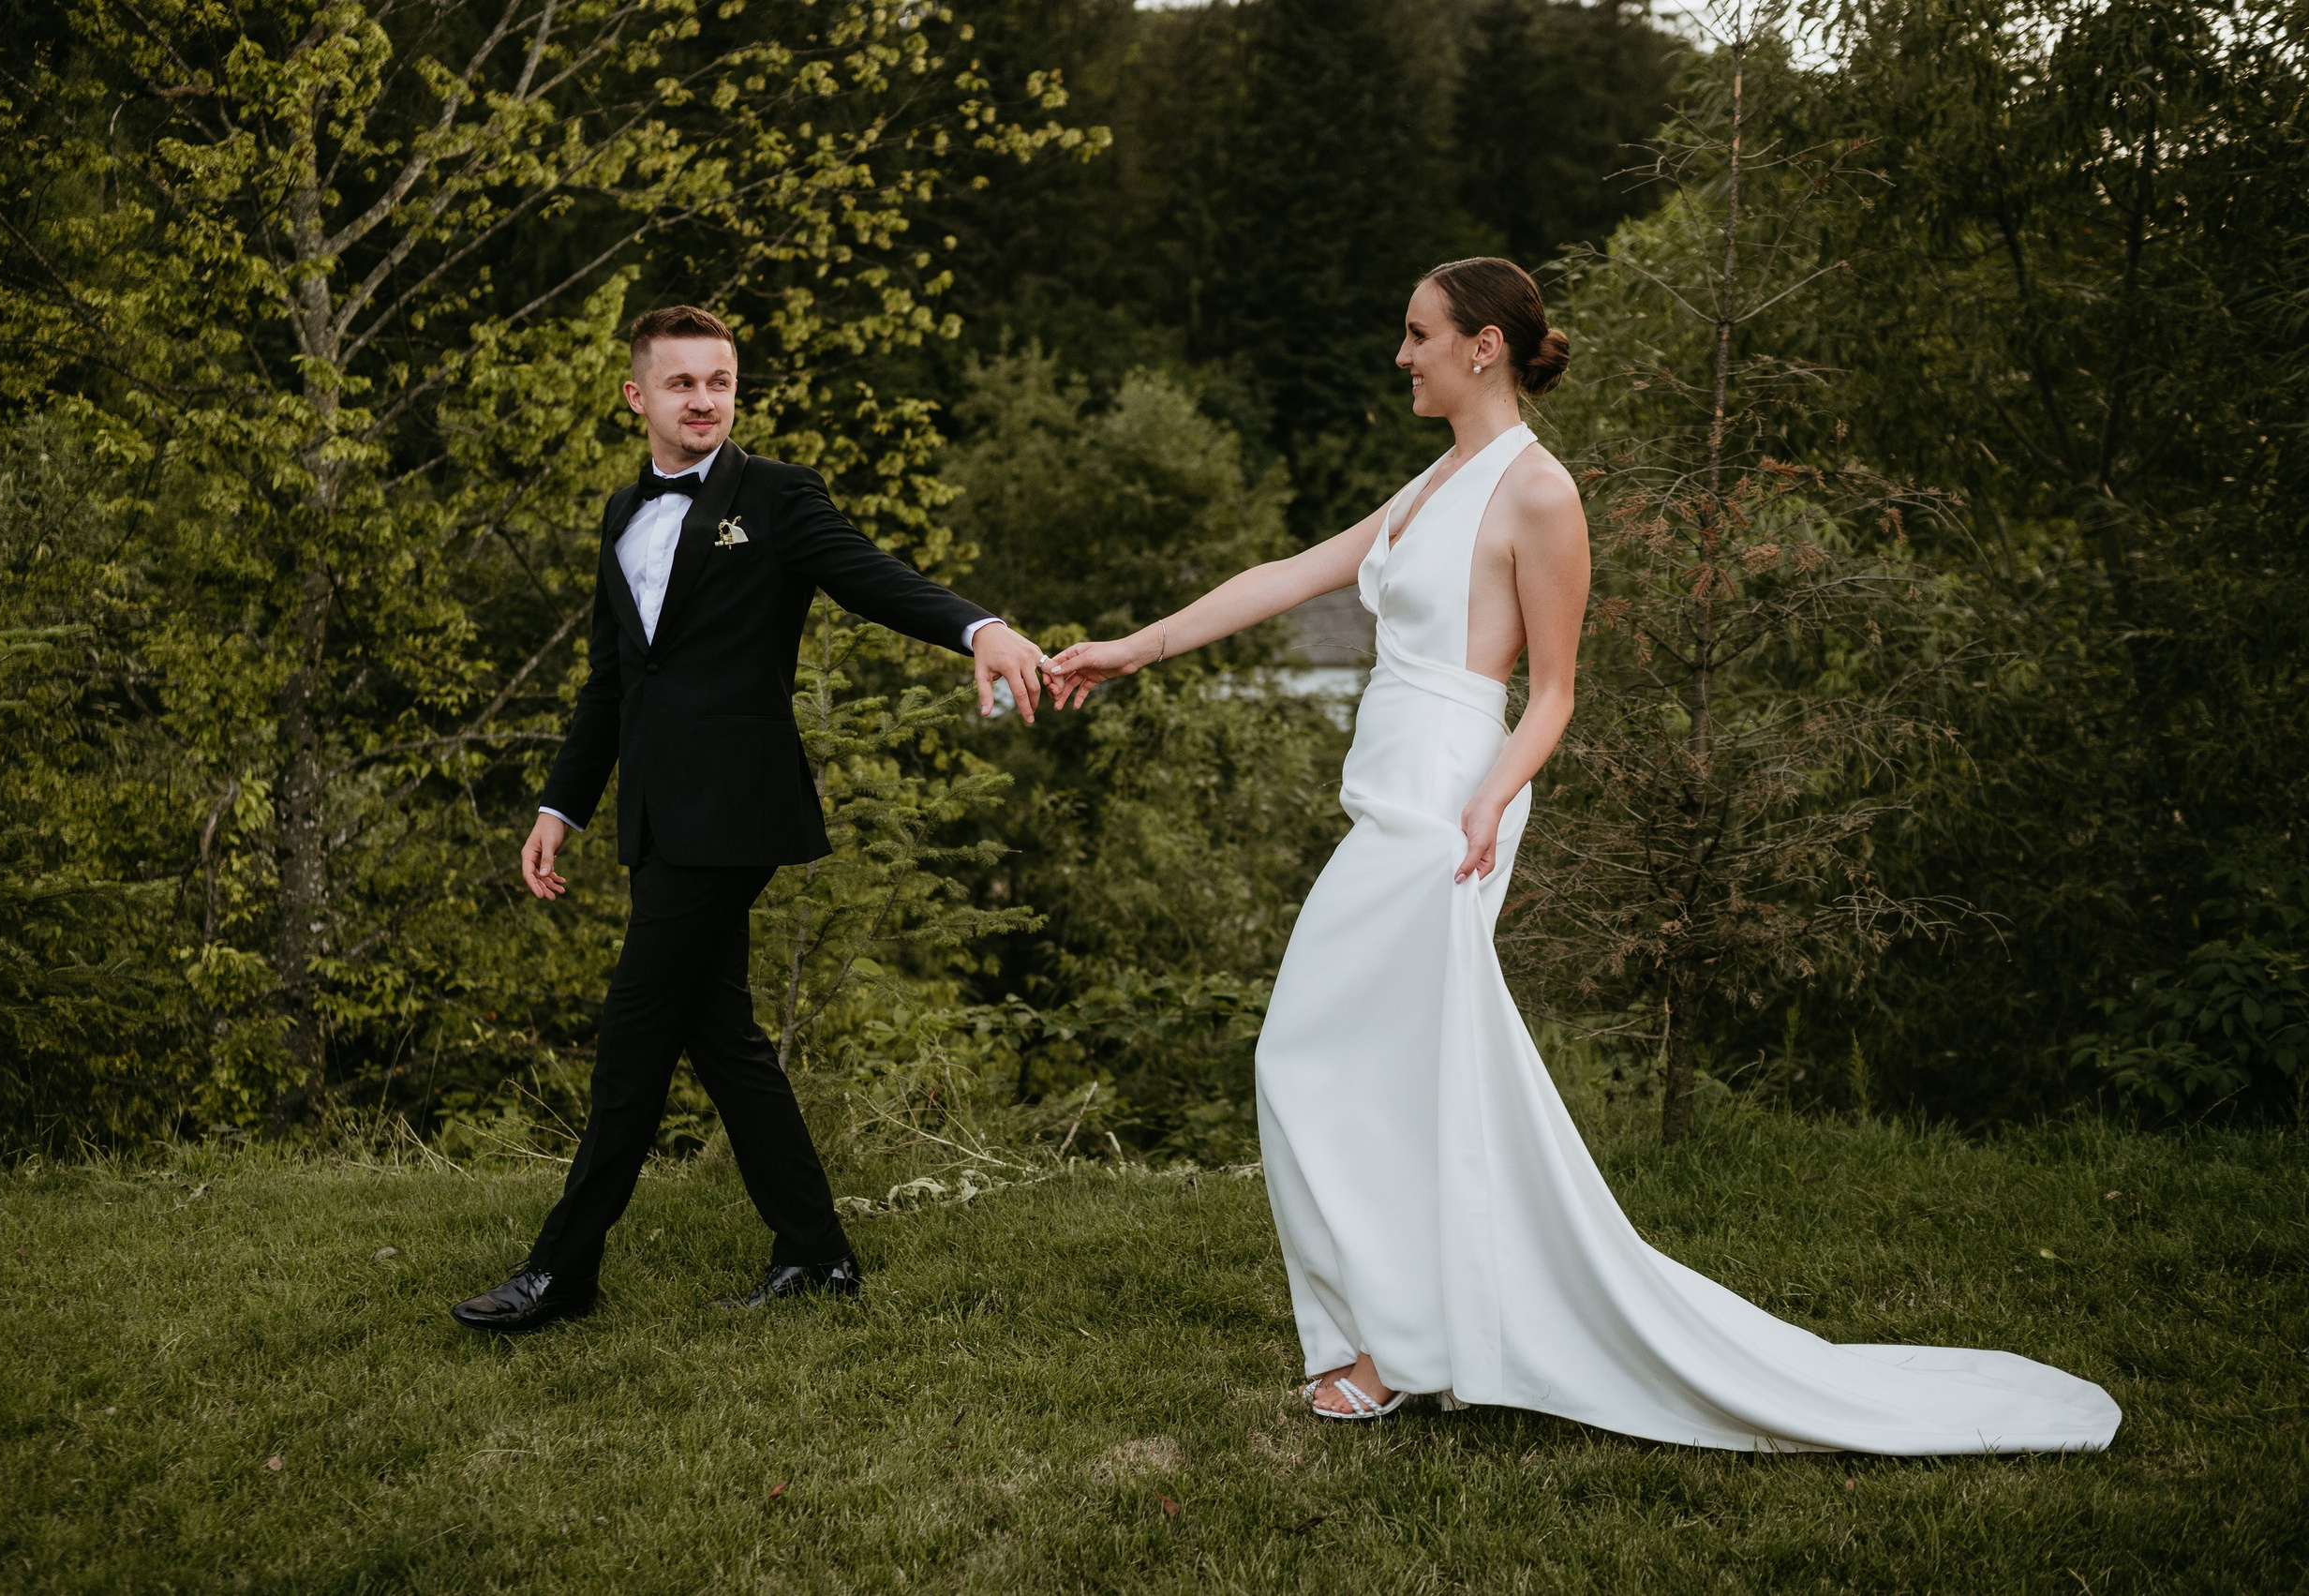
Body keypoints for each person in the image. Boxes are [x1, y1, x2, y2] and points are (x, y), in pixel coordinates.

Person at [1044, 259, 2122, 1452]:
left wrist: (1492, 801)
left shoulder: (1539, 492)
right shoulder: (1435, 479)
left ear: (1484, 345)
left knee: (1301, 1054)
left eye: (1417, 335)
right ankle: (1400, 1337)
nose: (1400, 356)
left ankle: (1387, 1344)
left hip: (1450, 801)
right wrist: (1129, 649)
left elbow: (1552, 691)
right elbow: (1293, 575)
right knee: (1371, 1069)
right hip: (1393, 796)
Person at [452, 306, 1049, 1333]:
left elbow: (870, 575)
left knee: (633, 1035)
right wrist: (562, 802)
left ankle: (564, 1266)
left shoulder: (773, 496)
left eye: (719, 381)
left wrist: (976, 625)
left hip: (735, 807)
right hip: (653, 812)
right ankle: (816, 1251)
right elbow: (612, 683)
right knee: (718, 1031)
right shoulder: (618, 513)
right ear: (637, 396)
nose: (703, 400)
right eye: (681, 382)